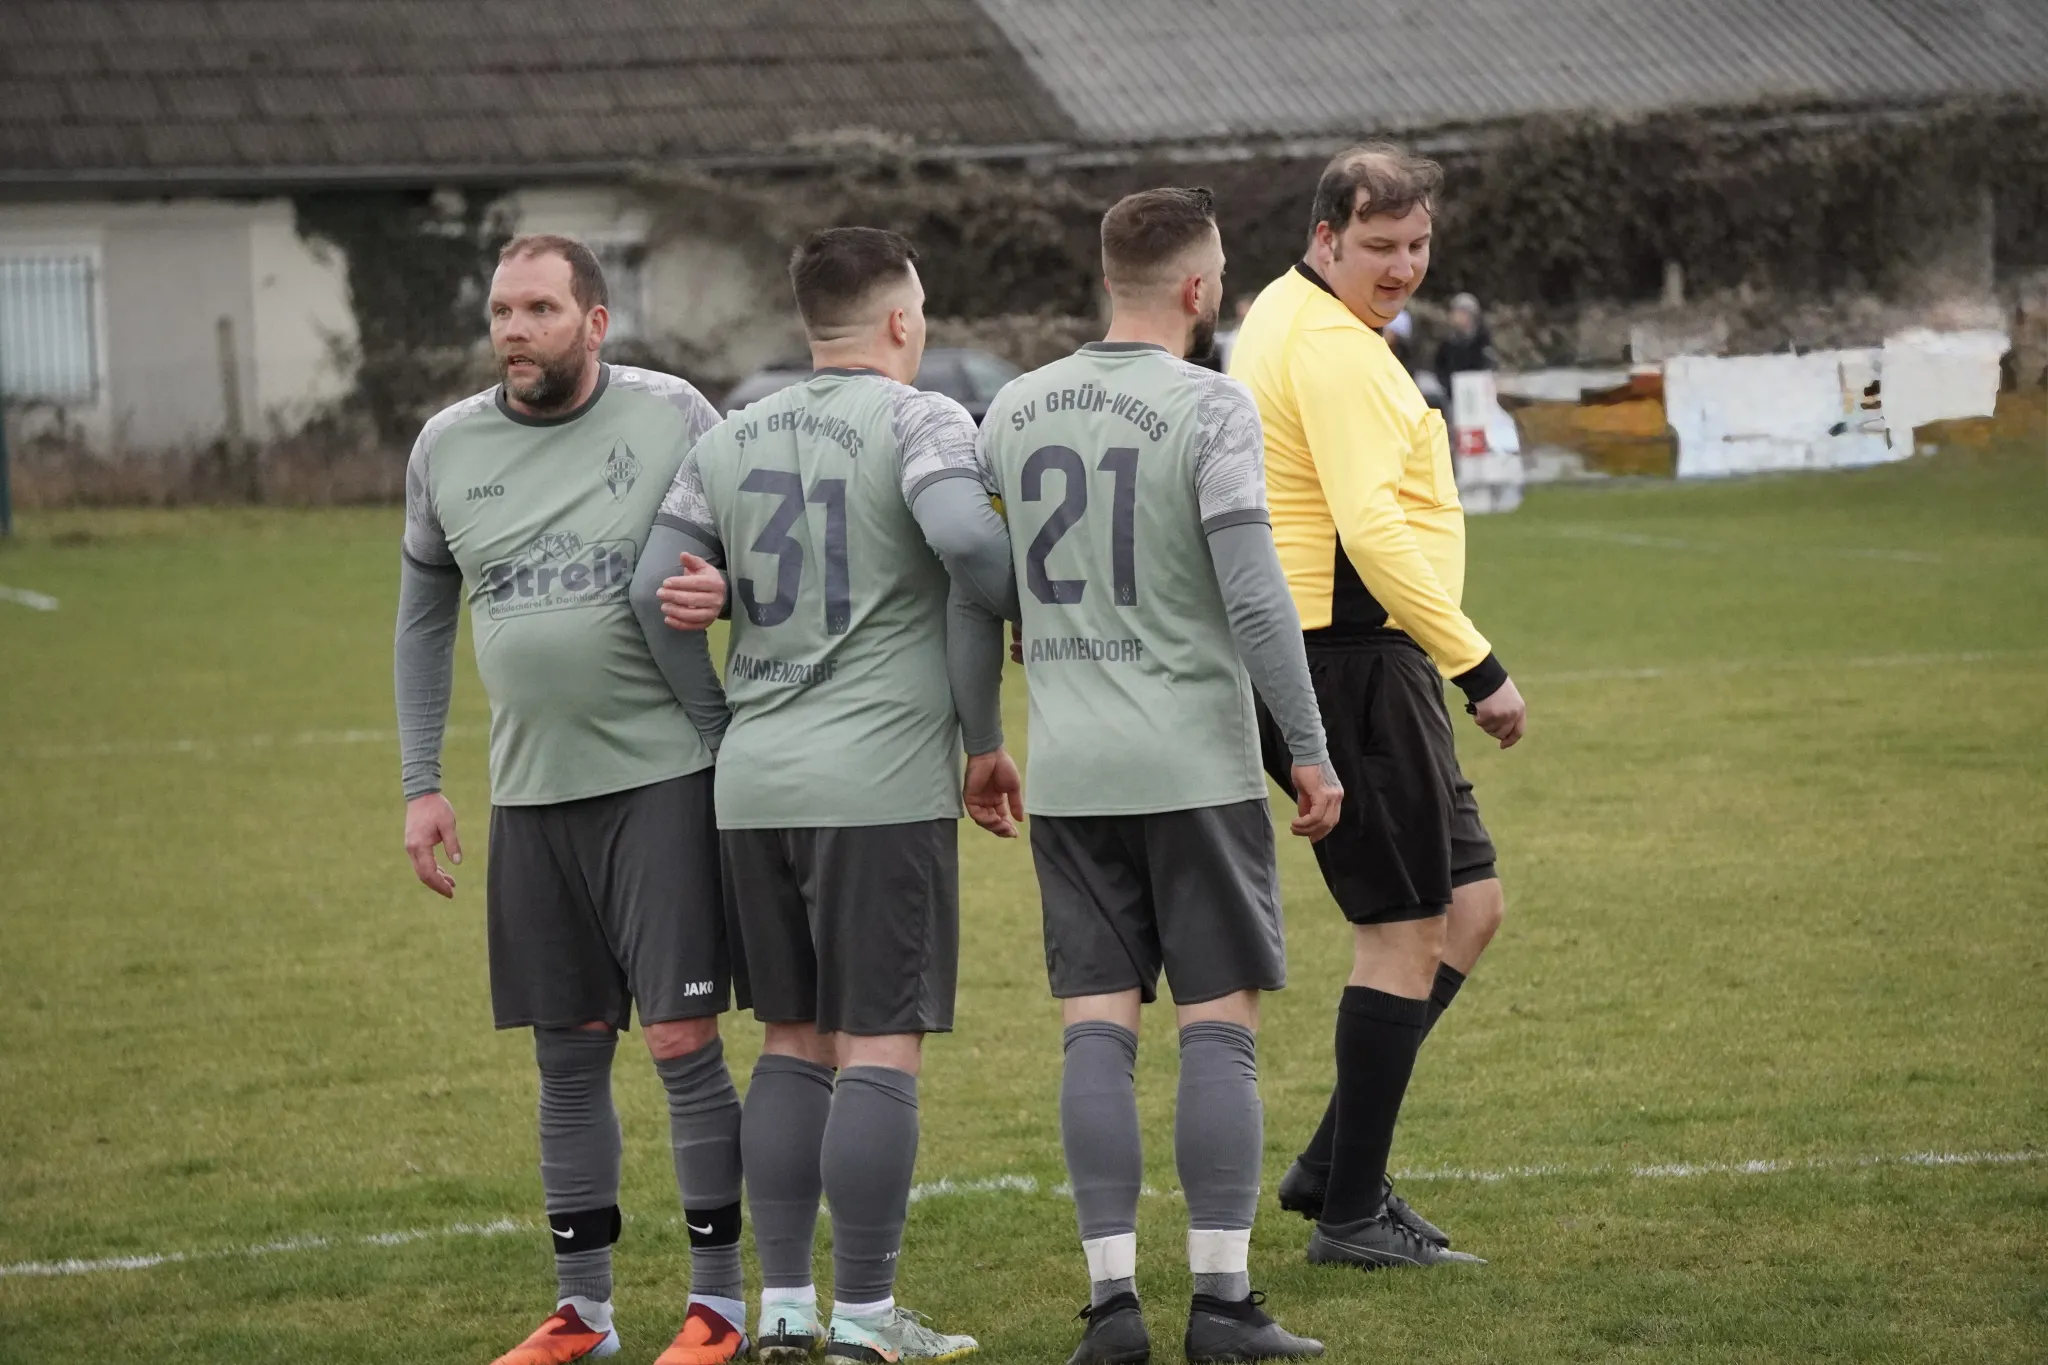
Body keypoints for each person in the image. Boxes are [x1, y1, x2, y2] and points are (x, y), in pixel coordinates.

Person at [974, 187, 1341, 1365]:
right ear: (1197, 288)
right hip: (1192, 765)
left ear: (1105, 278)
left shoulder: (1012, 408)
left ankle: (1111, 1308)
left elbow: (975, 580)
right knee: (1216, 1030)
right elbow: (1255, 595)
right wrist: (1306, 746)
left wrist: (982, 721)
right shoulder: (1210, 405)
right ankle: (1222, 1307)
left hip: (1072, 772)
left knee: (1095, 1033)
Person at [640, 226, 1018, 1365]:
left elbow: (650, 587)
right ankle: (864, 1318)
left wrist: (721, 726)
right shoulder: (922, 418)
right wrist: (1029, 617)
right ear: (901, 319)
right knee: (880, 1047)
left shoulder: (731, 432)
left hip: (756, 784)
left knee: (791, 1043)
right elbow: (968, 541)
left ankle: (786, 1311)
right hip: (878, 783)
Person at [394, 234, 750, 1365]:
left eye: (541, 309)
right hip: (530, 795)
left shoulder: (674, 414)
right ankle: (584, 1314)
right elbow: (421, 622)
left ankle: (718, 1307)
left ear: (595, 322)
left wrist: (730, 586)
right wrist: (421, 784)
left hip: (663, 780)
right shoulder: (445, 445)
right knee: (568, 1049)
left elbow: (760, 549)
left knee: (682, 1037)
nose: (515, 329)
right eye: (503, 310)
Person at [1228, 144, 1530, 1270]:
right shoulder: (1335, 349)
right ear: (1326, 238)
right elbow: (1369, 526)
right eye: (1378, 246)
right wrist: (1476, 665)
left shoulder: (1287, 311)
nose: (1401, 267)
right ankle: (1350, 1216)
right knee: (1402, 931)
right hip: (1347, 656)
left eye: (1416, 245)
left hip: (1342, 652)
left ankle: (1331, 1165)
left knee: (1470, 906)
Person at [1432, 293, 1496, 407]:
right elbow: (1439, 367)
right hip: (1451, 395)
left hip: (1475, 396)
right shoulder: (1448, 343)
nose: (1454, 316)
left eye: (1459, 312)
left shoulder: (1482, 342)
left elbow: (1487, 370)